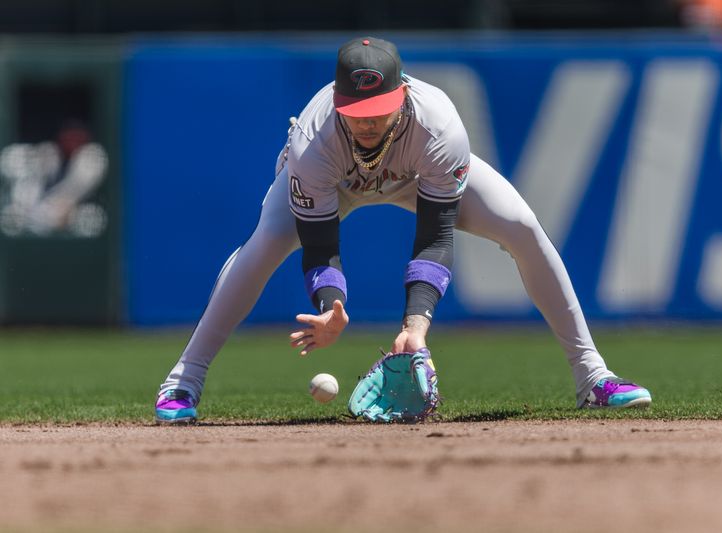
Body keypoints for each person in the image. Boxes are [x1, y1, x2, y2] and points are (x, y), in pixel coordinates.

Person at [155, 36, 651, 423]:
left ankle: (594, 377)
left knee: (522, 226)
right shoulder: (313, 142)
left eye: (377, 111)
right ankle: (183, 380)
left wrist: (415, 329)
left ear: (403, 93)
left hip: (415, 174)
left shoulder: (439, 127)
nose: (367, 123)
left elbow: (435, 236)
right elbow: (320, 245)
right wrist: (331, 309)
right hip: (337, 182)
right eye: (356, 113)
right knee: (263, 245)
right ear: (337, 100)